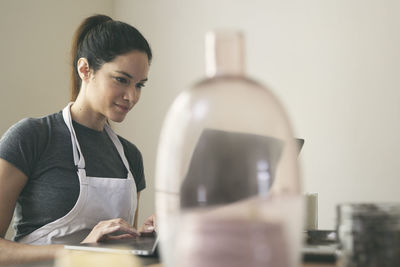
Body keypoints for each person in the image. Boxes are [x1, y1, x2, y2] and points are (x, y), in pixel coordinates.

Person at [0, 14, 155, 265]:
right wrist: (77, 251)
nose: (131, 96)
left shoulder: (130, 157)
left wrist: (146, 239)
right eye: (122, 80)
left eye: (140, 85)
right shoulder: (31, 137)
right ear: (85, 69)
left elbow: (123, 257)